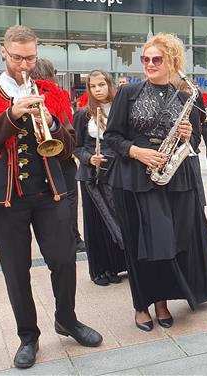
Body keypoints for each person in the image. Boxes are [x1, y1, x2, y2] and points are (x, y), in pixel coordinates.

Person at [0, 25, 102, 369]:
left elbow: (69, 147)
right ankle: (28, 336)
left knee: (65, 260)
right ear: (4, 54)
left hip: (49, 192)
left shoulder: (51, 92)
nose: (25, 64)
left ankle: (66, 319)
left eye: (31, 57)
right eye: (18, 57)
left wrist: (52, 124)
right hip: (5, 199)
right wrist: (11, 115)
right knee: (15, 270)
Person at [103, 33, 207, 332]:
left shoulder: (185, 97)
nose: (150, 64)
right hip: (135, 177)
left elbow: (195, 140)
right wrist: (137, 151)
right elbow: (112, 138)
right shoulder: (128, 93)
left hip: (174, 177)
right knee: (140, 244)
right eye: (146, 59)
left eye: (157, 59)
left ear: (172, 61)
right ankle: (142, 305)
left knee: (170, 244)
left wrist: (186, 134)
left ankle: (162, 301)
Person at [73, 70, 127, 286]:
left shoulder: (120, 110)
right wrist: (89, 158)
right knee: (97, 223)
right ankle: (100, 270)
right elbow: (76, 147)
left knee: (120, 219)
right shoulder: (83, 115)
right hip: (93, 176)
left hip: (118, 172)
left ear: (109, 84)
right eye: (93, 86)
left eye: (102, 85)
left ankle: (118, 266)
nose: (98, 89)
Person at [32, 58, 85, 253]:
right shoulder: (57, 94)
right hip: (59, 154)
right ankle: (74, 238)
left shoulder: (24, 94)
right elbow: (67, 123)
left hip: (35, 158)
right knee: (69, 197)